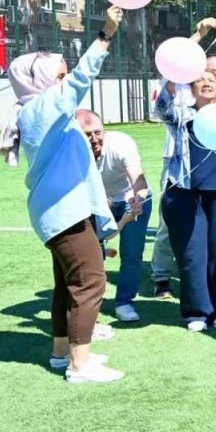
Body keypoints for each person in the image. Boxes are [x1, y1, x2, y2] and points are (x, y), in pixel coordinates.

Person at [5, 6, 125, 383]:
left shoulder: (38, 109)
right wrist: (106, 34)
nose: (65, 79)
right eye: (59, 75)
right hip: (64, 212)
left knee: (66, 286)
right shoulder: (43, 107)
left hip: (63, 210)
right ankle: (79, 364)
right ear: (39, 80)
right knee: (90, 282)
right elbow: (81, 78)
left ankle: (62, 354)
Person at [156, 67, 216, 332]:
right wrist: (175, 73)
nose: (206, 83)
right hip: (185, 194)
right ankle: (196, 313)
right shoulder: (182, 115)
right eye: (200, 80)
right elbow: (162, 107)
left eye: (212, 80)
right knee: (192, 255)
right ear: (191, 88)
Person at [75, 110, 152, 323]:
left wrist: (139, 197)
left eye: (98, 132)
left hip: (130, 198)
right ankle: (90, 304)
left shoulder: (121, 143)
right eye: (87, 134)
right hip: (96, 203)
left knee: (131, 254)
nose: (94, 139)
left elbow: (138, 177)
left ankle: (124, 302)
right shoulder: (71, 150)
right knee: (91, 255)